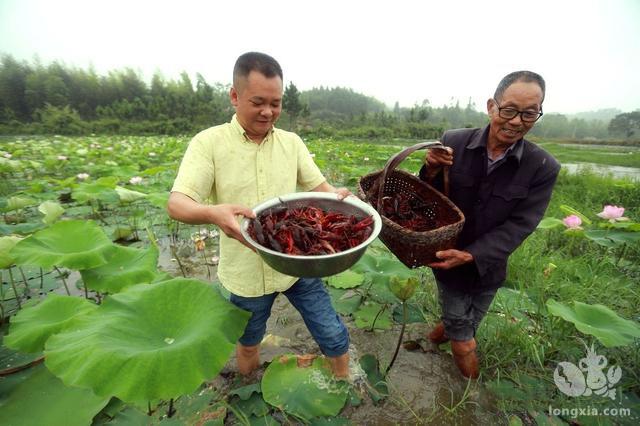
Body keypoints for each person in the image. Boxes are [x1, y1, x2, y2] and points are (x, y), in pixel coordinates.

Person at [167, 52, 351, 378]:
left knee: (333, 335)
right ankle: (248, 391)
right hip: (245, 273)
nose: (268, 112)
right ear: (235, 96)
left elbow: (321, 188)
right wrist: (211, 212)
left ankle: (347, 388)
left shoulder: (292, 143)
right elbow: (177, 203)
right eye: (258, 102)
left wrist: (343, 198)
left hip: (297, 262)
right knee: (249, 342)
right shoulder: (208, 143)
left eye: (276, 103)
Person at [419, 71, 560, 379]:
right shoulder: (453, 141)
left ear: (538, 113)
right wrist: (429, 169)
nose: (516, 121)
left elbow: (522, 224)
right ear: (491, 107)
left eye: (529, 113)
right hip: (448, 263)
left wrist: (472, 256)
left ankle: (426, 344)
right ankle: (472, 399)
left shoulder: (543, 166)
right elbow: (428, 197)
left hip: (490, 267)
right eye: (508, 110)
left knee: (465, 322)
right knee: (464, 341)